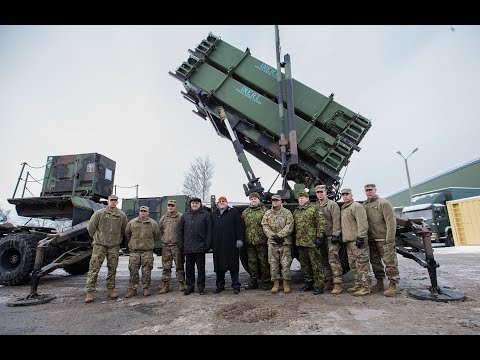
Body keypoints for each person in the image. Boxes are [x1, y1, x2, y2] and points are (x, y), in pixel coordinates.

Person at [85, 194, 128, 303]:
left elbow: (124, 230)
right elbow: (91, 228)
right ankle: (90, 292)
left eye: (115, 200)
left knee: (112, 269)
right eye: (111, 200)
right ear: (108, 202)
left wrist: (118, 239)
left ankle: (110, 290)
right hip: (100, 245)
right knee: (94, 268)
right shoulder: (99, 213)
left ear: (117, 202)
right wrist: (97, 238)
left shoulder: (121, 215)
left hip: (114, 246)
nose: (113, 202)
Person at [363, 183, 400, 297]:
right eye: (367, 190)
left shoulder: (383, 203)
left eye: (371, 190)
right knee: (375, 263)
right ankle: (379, 283)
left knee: (390, 262)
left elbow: (391, 222)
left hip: (383, 239)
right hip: (372, 239)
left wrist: (389, 239)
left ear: (375, 190)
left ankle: (393, 285)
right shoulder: (365, 205)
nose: (369, 192)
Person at [293, 190, 326, 295]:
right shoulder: (296, 211)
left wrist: (320, 237)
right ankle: (308, 283)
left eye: (303, 198)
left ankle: (319, 285)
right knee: (305, 265)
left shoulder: (314, 208)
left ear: (307, 198)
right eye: (299, 198)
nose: (301, 200)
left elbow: (321, 223)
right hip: (301, 243)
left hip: (312, 242)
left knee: (316, 265)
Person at [340, 188, 371, 296]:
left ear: (351, 195)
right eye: (343, 195)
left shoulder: (357, 206)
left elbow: (362, 223)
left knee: (362, 265)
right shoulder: (344, 208)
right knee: (353, 265)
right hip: (349, 242)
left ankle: (365, 287)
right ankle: (358, 284)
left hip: (357, 241)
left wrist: (361, 237)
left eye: (347, 194)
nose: (345, 196)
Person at [178, 197, 211, 295]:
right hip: (188, 247)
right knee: (189, 269)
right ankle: (190, 287)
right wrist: (181, 244)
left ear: (200, 204)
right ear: (190, 204)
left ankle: (201, 287)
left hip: (200, 247)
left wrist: (207, 244)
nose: (194, 205)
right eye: (193, 203)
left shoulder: (205, 215)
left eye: (196, 203)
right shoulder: (185, 215)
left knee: (201, 269)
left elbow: (209, 231)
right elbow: (180, 230)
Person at [211, 195, 245, 294]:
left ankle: (235, 285)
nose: (222, 202)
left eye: (224, 201)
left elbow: (239, 226)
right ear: (217, 203)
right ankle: (220, 285)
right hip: (218, 244)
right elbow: (210, 229)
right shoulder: (213, 214)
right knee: (219, 266)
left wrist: (240, 239)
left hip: (231, 243)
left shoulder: (234, 212)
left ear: (227, 202)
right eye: (220, 201)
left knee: (233, 265)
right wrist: (211, 242)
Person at [261, 194, 294, 294]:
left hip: (284, 242)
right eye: (273, 200)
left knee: (285, 264)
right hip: (272, 242)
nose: (275, 202)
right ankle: (276, 284)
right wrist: (273, 237)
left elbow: (289, 226)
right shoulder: (267, 213)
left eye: (277, 200)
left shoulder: (287, 213)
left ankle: (286, 284)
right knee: (273, 264)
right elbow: (265, 226)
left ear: (281, 201)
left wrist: (280, 236)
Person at [124, 205, 160, 298]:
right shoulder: (132, 222)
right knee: (133, 271)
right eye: (141, 211)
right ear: (139, 212)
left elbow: (156, 236)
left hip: (147, 251)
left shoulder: (153, 223)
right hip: (134, 251)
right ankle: (133, 289)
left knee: (147, 271)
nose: (143, 213)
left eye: (145, 211)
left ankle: (146, 288)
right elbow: (127, 234)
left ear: (148, 213)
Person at [315, 184, 343, 295]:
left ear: (326, 193)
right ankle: (329, 281)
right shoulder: (317, 206)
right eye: (318, 192)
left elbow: (336, 220)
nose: (320, 194)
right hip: (322, 237)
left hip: (331, 237)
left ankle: (338, 284)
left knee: (333, 260)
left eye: (322, 192)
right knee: (324, 261)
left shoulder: (332, 205)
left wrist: (336, 234)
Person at [241, 192, 270, 290]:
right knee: (252, 262)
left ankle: (265, 281)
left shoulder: (265, 211)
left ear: (259, 200)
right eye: (251, 199)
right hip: (250, 241)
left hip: (261, 240)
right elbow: (243, 227)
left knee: (264, 262)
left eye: (255, 199)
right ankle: (253, 281)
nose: (253, 200)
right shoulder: (245, 212)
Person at [158, 199, 185, 294]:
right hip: (166, 246)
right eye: (169, 206)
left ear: (175, 206)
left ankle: (181, 283)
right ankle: (166, 285)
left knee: (179, 265)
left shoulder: (181, 217)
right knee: (166, 267)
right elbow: (161, 230)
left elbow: (183, 231)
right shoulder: (163, 218)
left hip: (176, 246)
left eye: (172, 205)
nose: (170, 207)